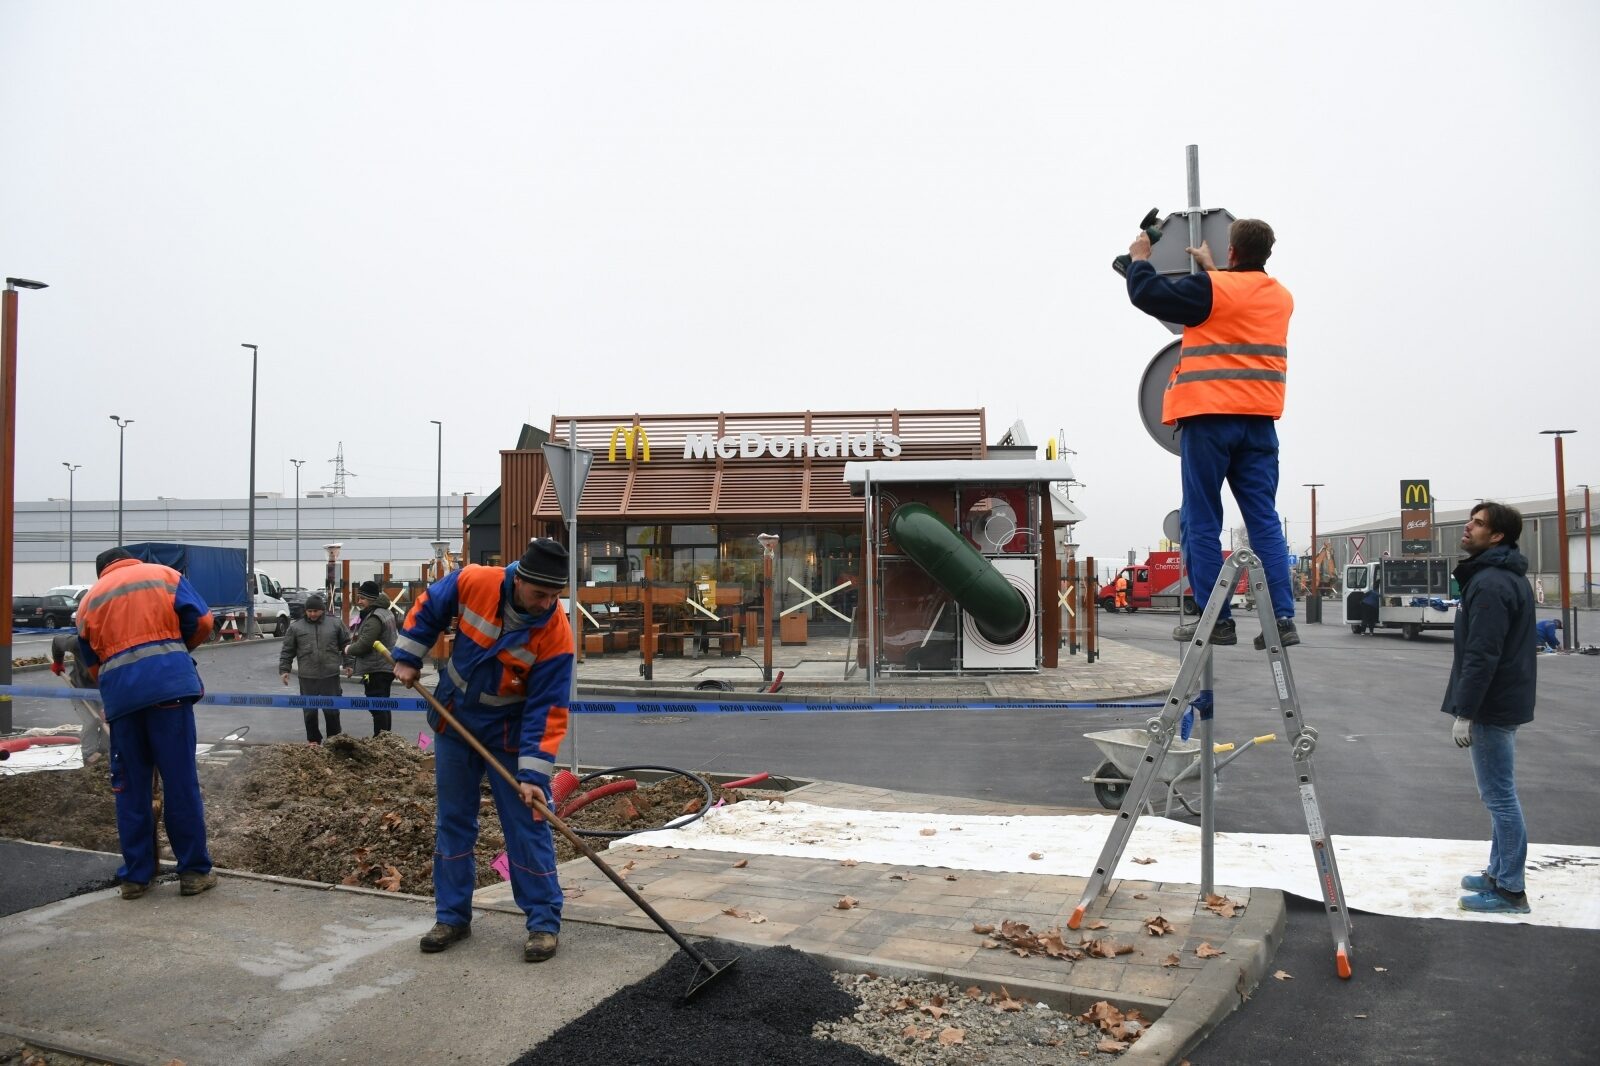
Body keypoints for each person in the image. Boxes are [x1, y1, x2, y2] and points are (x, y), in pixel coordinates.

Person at [390, 538, 575, 963]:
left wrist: (532, 775)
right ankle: (451, 916)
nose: (547, 603)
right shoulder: (476, 580)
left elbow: (547, 710)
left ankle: (543, 923)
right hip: (454, 723)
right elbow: (430, 605)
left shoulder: (555, 634)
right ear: (519, 578)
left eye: (554, 595)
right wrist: (409, 654)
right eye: (539, 594)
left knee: (528, 824)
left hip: (510, 738)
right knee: (454, 822)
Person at [1125, 218, 1298, 650]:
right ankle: (1282, 618)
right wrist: (1213, 269)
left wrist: (1139, 260)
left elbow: (1146, 294)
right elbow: (1238, 303)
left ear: (1232, 253)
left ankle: (1217, 620)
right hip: (1259, 423)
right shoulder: (1281, 298)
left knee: (1201, 519)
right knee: (1263, 520)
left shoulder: (1211, 291)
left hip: (1208, 419)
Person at [74, 547, 218, 899]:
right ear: (131, 561)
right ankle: (193, 873)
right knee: (180, 782)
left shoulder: (89, 601)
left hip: (123, 701)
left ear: (101, 572)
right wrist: (177, 652)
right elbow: (202, 622)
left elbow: (90, 659)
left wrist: (116, 685)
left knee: (130, 789)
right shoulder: (165, 576)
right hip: (170, 693)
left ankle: (136, 877)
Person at [1443, 501, 1537, 915]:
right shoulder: (1499, 576)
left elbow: (1483, 653)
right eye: (1471, 520)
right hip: (1502, 699)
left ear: (1496, 536)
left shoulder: (1492, 584)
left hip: (1492, 705)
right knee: (1498, 794)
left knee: (1499, 797)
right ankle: (1497, 872)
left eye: (1478, 524)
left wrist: (1466, 711)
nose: (1469, 527)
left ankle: (1510, 891)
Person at [279, 592, 350, 744]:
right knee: (309, 711)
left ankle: (334, 741)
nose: (312, 614)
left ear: (322, 610)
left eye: (315, 611)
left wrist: (349, 664)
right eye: (309, 611)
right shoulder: (296, 627)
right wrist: (284, 670)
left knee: (332, 711)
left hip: (330, 675)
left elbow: (346, 645)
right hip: (307, 676)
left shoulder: (335, 624)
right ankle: (313, 740)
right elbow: (288, 650)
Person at [344, 580, 399, 734]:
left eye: (362, 598)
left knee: (376, 704)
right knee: (382, 704)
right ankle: (385, 737)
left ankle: (380, 737)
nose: (359, 601)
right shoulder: (385, 612)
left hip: (376, 669)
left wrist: (348, 649)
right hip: (384, 666)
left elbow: (364, 645)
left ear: (371, 599)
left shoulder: (374, 617)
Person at [50, 631, 109, 757]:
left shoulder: (114, 646)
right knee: (92, 721)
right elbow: (57, 641)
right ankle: (88, 756)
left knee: (109, 720)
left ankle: (105, 754)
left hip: (106, 691)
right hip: (80, 689)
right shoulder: (78, 643)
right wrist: (58, 662)